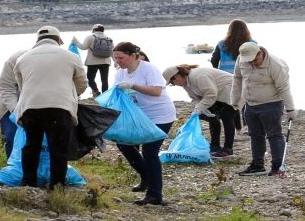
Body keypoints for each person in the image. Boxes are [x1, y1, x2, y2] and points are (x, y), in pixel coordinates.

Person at [13, 26, 88, 190]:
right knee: (58, 148)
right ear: (59, 40)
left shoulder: (23, 58)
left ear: (37, 40)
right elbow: (82, 83)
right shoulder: (70, 56)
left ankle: (28, 184)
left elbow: (22, 85)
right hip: (59, 107)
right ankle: (57, 186)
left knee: (31, 145)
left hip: (30, 107)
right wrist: (70, 95)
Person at [113, 42, 176, 206]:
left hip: (160, 116)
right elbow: (118, 95)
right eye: (115, 58)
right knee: (124, 143)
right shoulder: (121, 73)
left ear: (132, 56)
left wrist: (133, 85)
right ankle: (147, 176)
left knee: (149, 151)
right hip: (139, 116)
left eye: (121, 58)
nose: (118, 61)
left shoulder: (148, 68)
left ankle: (154, 194)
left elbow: (156, 91)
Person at [232, 42, 297, 176]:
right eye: (248, 61)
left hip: (271, 104)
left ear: (260, 53)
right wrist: (235, 99)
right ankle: (257, 165)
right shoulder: (241, 59)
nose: (252, 63)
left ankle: (277, 166)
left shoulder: (275, 65)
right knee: (255, 134)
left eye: (255, 60)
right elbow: (237, 78)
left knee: (274, 134)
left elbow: (284, 88)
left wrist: (291, 109)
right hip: (250, 104)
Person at [162, 64, 237, 159]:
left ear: (177, 76)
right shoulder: (186, 84)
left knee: (227, 117)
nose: (174, 85)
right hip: (219, 94)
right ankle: (215, 146)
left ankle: (228, 149)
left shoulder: (197, 76)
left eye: (172, 82)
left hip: (233, 90)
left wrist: (199, 108)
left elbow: (211, 94)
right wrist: (200, 108)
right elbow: (195, 98)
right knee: (212, 117)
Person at [210, 19, 255, 134]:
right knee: (247, 100)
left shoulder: (222, 44)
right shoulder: (252, 43)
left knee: (231, 102)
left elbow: (214, 59)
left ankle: (237, 128)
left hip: (225, 76)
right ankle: (247, 125)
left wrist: (216, 72)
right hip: (246, 75)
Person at [0, 49, 26, 159]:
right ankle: (13, 168)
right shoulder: (16, 59)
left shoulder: (53, 60)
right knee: (11, 136)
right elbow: (6, 88)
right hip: (8, 106)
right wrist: (16, 112)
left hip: (33, 105)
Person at [72, 24, 113, 97]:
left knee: (90, 78)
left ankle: (96, 91)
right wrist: (115, 62)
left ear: (94, 29)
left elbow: (83, 47)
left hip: (92, 62)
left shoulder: (90, 37)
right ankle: (105, 95)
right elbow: (112, 51)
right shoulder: (108, 38)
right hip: (105, 62)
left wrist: (75, 41)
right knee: (104, 79)